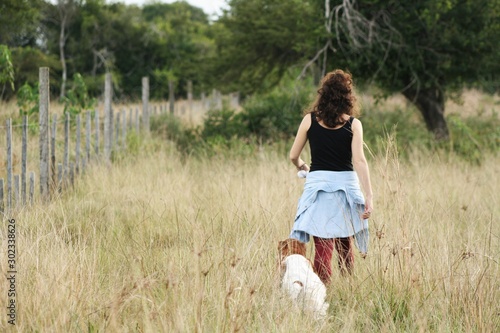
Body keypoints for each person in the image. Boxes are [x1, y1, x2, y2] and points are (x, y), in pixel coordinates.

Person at [288, 69, 373, 284]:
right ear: (348, 97)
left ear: (323, 94)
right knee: (345, 243)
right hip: (346, 188)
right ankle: (347, 288)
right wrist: (369, 196)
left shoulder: (309, 120)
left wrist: (303, 166)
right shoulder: (353, 124)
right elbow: (360, 161)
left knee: (323, 247)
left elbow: (293, 155)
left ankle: (321, 292)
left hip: (318, 189)